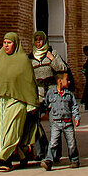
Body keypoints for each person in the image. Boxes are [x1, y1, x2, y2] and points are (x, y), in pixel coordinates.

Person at [0, 31, 38, 172]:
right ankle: (23, 156)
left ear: (16, 44)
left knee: (12, 131)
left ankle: (4, 160)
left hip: (18, 102)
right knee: (5, 132)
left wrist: (32, 103)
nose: (6, 46)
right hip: (2, 102)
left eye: (9, 43)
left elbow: (29, 83)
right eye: (4, 43)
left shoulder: (23, 61)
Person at [30, 30, 68, 160]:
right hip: (39, 94)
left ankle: (55, 153)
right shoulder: (31, 57)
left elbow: (62, 68)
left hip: (52, 93)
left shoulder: (52, 54)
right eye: (36, 40)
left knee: (55, 123)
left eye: (40, 40)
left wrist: (52, 59)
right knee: (34, 123)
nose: (38, 43)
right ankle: (42, 151)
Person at [40, 70, 81, 170]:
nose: (69, 82)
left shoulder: (69, 95)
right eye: (67, 80)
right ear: (60, 81)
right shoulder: (51, 93)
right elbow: (45, 104)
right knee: (53, 142)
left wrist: (76, 117)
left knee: (71, 143)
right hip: (56, 122)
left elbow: (74, 107)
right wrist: (40, 113)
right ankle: (49, 160)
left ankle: (74, 160)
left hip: (68, 123)